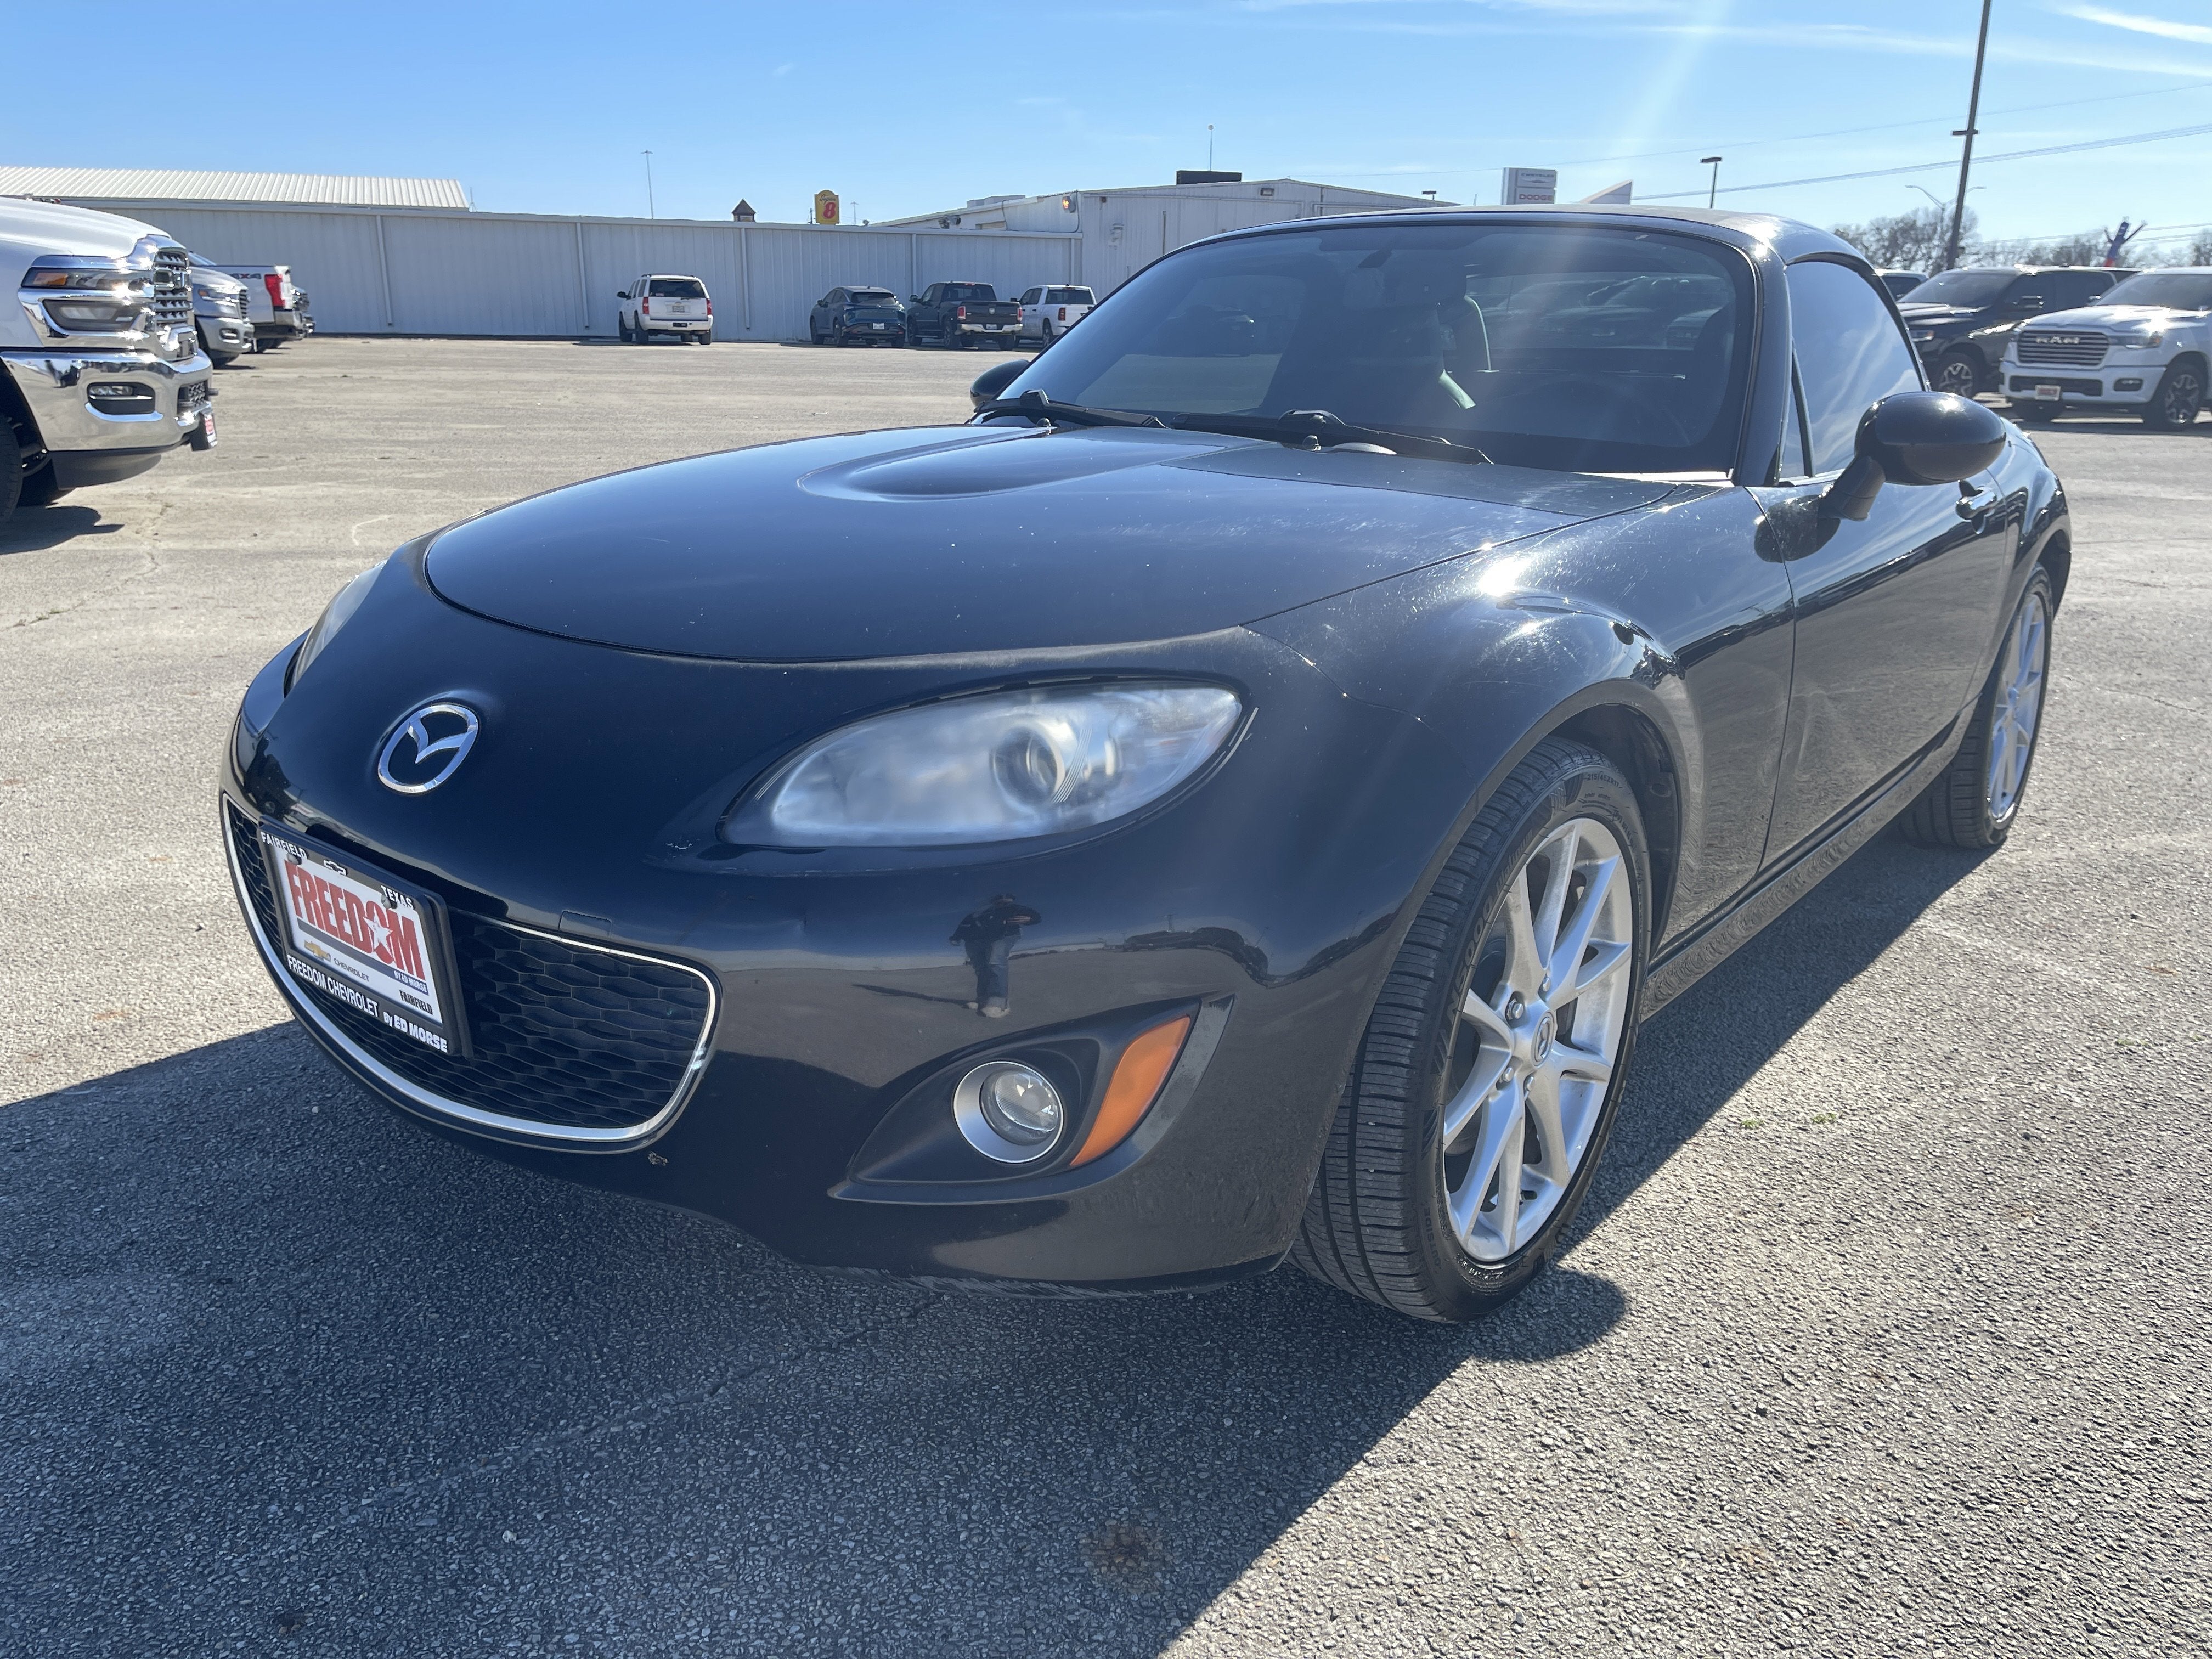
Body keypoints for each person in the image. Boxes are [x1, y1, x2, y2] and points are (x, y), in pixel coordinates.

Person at [952, 895, 1040, 1018]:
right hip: (981, 940)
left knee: (996, 961)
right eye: (999, 899)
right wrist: (956, 937)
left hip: (1005, 935)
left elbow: (1034, 916)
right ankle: (982, 1000)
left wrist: (1031, 919)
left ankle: (999, 1003)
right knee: (981, 968)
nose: (1003, 900)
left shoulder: (1013, 908)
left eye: (1007, 899)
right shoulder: (985, 912)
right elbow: (966, 924)